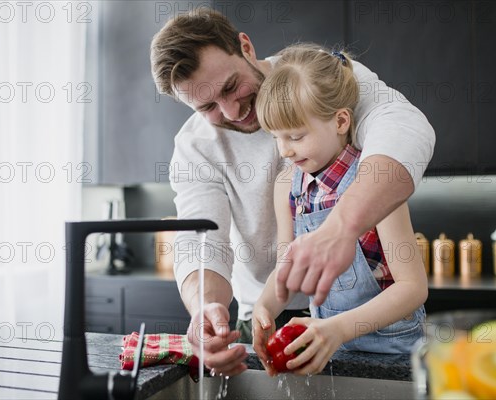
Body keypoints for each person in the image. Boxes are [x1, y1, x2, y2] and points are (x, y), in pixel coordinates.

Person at [150, 9, 434, 377]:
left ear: (246, 47)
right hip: (270, 317)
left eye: (230, 86)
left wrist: (341, 229)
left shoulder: (318, 75)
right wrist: (205, 307)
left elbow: (403, 125)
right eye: (207, 107)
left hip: (380, 335)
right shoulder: (196, 148)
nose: (232, 111)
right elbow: (202, 240)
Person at [251, 44, 428, 376]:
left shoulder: (374, 182)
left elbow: (413, 288)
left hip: (395, 354)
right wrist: (265, 304)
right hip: (328, 352)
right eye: (276, 138)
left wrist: (339, 328)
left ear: (340, 121)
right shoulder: (286, 186)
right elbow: (286, 268)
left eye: (296, 136)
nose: (285, 150)